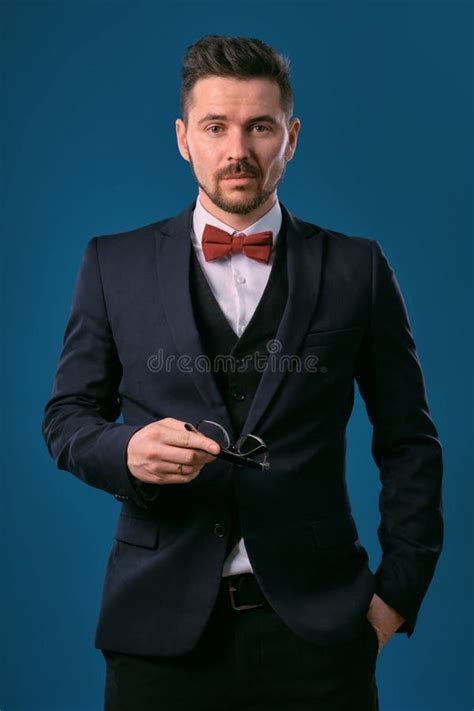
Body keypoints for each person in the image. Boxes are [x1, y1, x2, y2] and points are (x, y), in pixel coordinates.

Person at [42, 34, 444, 711]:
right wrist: (126, 450)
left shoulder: (358, 269)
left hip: (320, 635)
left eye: (260, 126)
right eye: (216, 127)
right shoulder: (113, 264)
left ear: (291, 137)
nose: (238, 150)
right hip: (156, 635)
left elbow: (410, 443)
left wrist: (393, 599)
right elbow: (66, 419)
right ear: (182, 138)